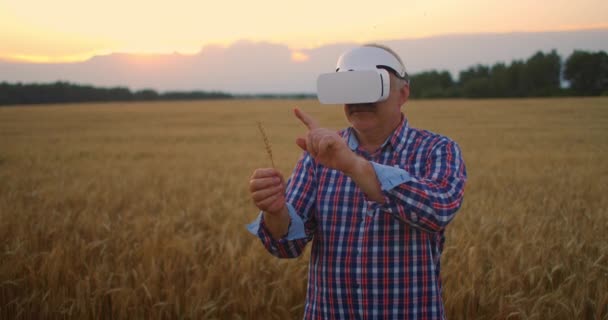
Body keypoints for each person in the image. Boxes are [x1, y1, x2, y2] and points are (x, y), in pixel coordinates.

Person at [247, 44, 467, 319]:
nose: (360, 100)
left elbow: (438, 210)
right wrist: (275, 211)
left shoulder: (437, 150)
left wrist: (353, 165)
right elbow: (286, 245)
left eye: (372, 87)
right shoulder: (319, 155)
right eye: (350, 88)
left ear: (403, 94)